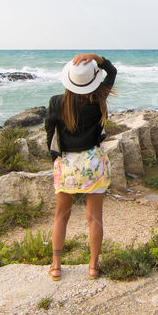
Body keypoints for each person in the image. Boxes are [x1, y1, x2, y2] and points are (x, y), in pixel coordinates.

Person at [44, 53, 117, 280]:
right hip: (93, 163)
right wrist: (96, 57)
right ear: (92, 81)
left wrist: (56, 157)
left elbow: (50, 133)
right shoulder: (99, 98)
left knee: (60, 216)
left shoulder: (57, 102)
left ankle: (56, 266)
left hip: (67, 163)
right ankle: (93, 267)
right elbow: (112, 71)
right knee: (94, 217)